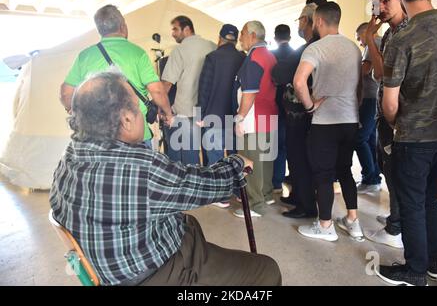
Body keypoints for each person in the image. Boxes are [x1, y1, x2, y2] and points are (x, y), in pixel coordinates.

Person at [50, 71, 282, 286]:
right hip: (159, 273)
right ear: (127, 120)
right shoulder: (140, 168)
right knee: (266, 270)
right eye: (139, 109)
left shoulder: (69, 155)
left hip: (113, 271)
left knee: (189, 225)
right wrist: (235, 165)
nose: (144, 114)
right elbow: (203, 186)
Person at [376, 0, 437, 286]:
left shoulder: (402, 38)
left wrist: (395, 124)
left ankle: (415, 269)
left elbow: (389, 103)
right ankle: (434, 263)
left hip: (414, 137)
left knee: (413, 204)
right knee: (432, 200)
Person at [294, 2, 363, 242]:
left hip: (325, 122)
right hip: (350, 120)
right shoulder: (353, 48)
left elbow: (299, 81)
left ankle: (325, 226)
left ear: (319, 21)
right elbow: (360, 86)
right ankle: (353, 221)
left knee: (323, 174)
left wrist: (310, 105)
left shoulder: (316, 48)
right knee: (345, 170)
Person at [60, 5, 173, 149]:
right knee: (141, 171)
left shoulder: (85, 56)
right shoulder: (137, 54)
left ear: (100, 30)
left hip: (96, 136)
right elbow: (157, 90)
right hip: (135, 135)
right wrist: (168, 114)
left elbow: (66, 93)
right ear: (122, 26)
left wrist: (72, 108)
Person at [363, 0, 408, 249]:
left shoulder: (404, 32)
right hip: (387, 115)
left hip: (398, 118)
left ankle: (396, 229)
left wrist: (370, 38)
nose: (381, 8)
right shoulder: (392, 32)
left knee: (396, 174)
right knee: (390, 172)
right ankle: (396, 219)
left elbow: (381, 74)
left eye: (387, 0)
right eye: (378, 3)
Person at [272, 3, 319, 220]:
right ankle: (299, 196)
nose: (299, 24)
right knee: (295, 157)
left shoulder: (310, 48)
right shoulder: (305, 47)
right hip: (297, 115)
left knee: (301, 159)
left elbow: (280, 73)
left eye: (300, 19)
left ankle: (306, 205)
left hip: (302, 115)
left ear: (309, 21)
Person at [233, 21, 278, 218]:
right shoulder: (269, 55)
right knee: (265, 160)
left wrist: (240, 118)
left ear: (252, 35)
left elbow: (249, 92)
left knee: (249, 160)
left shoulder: (254, 57)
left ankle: (254, 204)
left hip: (253, 117)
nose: (240, 38)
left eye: (242, 33)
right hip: (269, 115)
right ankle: (266, 194)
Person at [197, 24, 245, 208]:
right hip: (235, 115)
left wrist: (200, 114)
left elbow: (205, 87)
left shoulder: (213, 58)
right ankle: (238, 191)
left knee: (216, 154)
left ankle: (221, 196)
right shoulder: (243, 58)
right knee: (234, 154)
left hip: (214, 114)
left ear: (220, 38)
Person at [161, 15, 216, 165]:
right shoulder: (212, 46)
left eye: (175, 29)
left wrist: (161, 107)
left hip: (186, 111)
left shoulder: (179, 50)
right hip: (209, 111)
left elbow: (166, 84)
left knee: (185, 155)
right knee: (207, 153)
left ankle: (187, 186)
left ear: (187, 29)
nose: (172, 33)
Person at [354, 22, 382, 194]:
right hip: (374, 98)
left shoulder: (373, 44)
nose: (360, 42)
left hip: (371, 99)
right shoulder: (376, 43)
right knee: (371, 140)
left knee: (359, 138)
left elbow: (365, 70)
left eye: (359, 38)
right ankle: (373, 178)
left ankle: (369, 177)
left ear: (365, 32)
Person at [271, 24, 294, 194]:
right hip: (294, 106)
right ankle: (294, 178)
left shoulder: (272, 55)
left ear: (275, 38)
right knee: (293, 146)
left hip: (275, 105)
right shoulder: (298, 54)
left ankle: (277, 182)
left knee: (277, 146)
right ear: (290, 36)